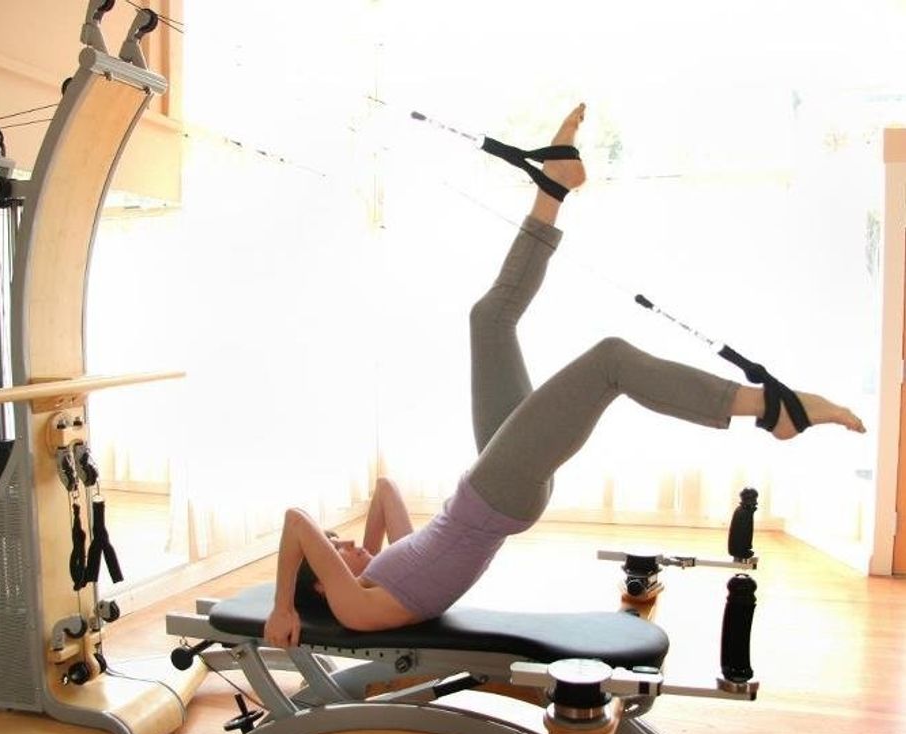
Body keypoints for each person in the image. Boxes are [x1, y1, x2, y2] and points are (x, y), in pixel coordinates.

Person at [264, 103, 866, 648]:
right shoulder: (359, 607)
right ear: (323, 585)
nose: (347, 545)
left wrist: (365, 547)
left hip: (492, 479)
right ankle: (770, 409)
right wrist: (281, 605)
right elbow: (298, 522)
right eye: (338, 550)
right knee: (609, 361)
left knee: (489, 319)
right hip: (498, 493)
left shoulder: (382, 572)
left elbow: (387, 490)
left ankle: (553, 185)